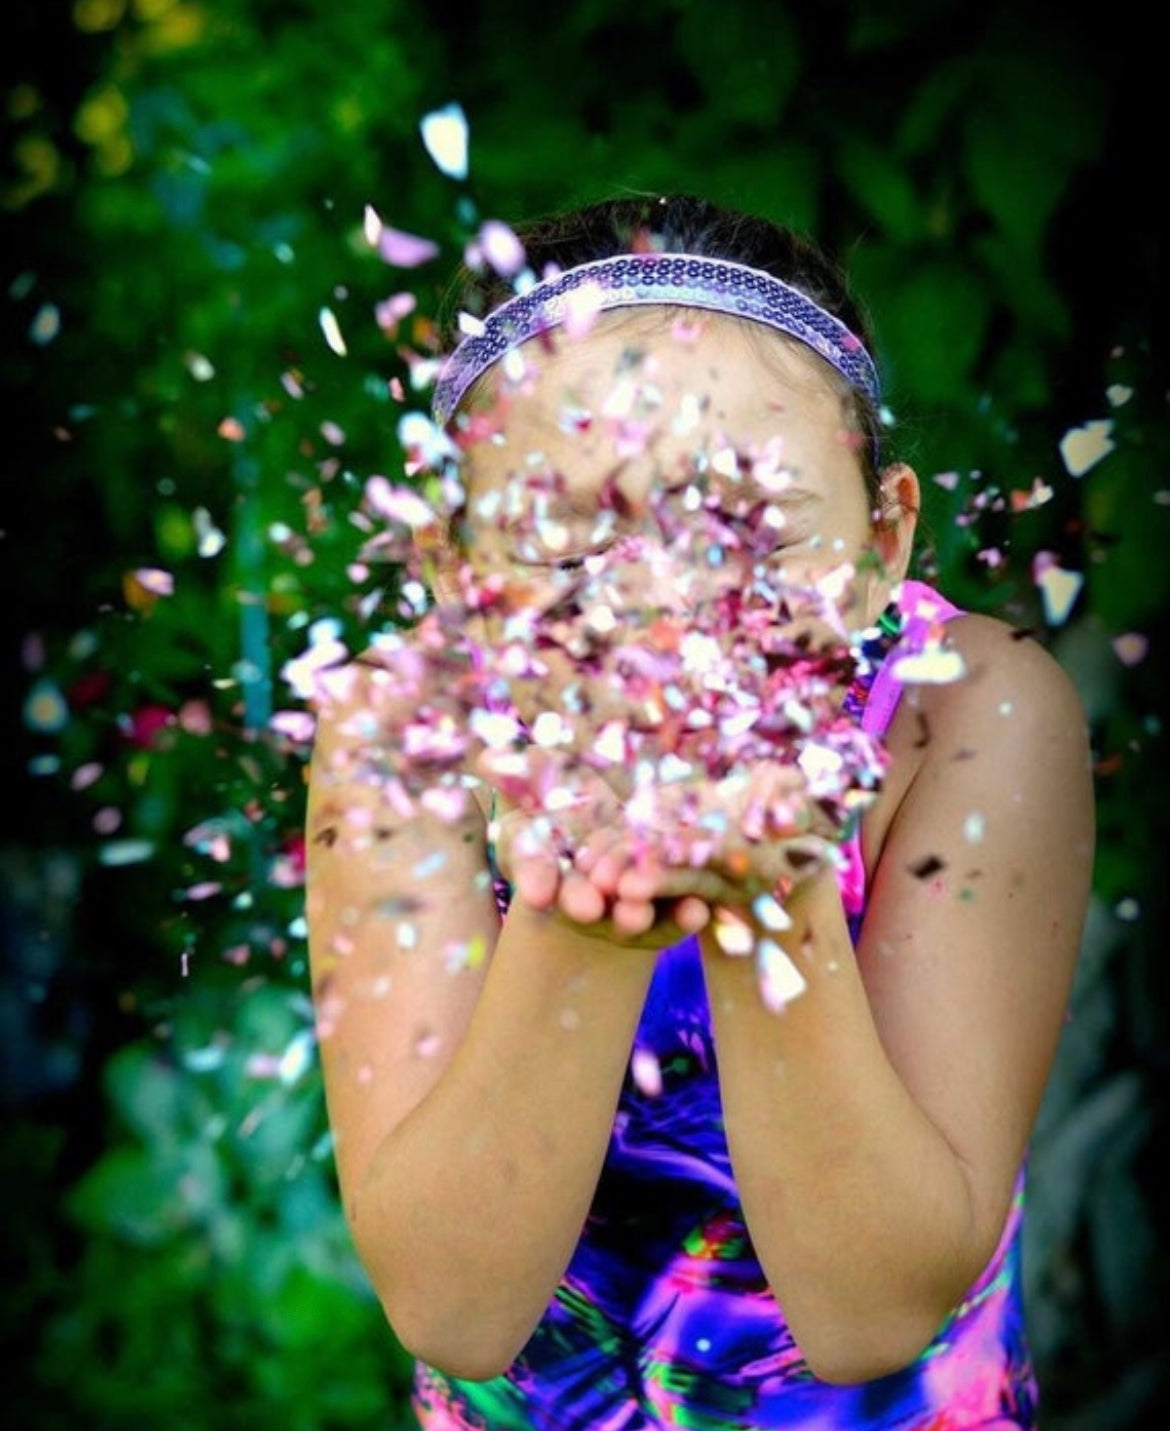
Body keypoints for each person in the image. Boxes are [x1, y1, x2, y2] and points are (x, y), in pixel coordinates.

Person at [304, 194, 1095, 1430]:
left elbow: (872, 1316)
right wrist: (577, 934)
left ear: (886, 537)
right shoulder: (403, 736)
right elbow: (458, 1312)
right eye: (569, 553)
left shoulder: (971, 716)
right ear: (456, 572)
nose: (662, 626)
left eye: (754, 539)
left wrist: (768, 909)